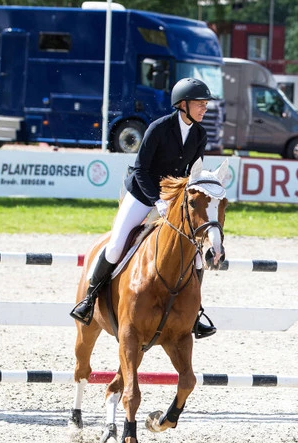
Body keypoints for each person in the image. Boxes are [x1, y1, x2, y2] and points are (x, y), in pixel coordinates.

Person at [70, 77, 217, 338]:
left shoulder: (199, 134)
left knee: (195, 254)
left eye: (205, 104)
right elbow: (141, 169)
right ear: (182, 104)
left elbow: (192, 174)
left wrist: (181, 200)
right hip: (141, 193)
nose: (204, 108)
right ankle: (89, 300)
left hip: (172, 200)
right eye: (200, 103)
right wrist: (156, 200)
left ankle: (195, 314)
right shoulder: (159, 128)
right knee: (116, 246)